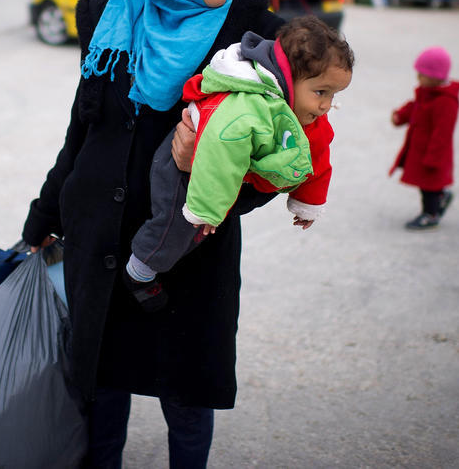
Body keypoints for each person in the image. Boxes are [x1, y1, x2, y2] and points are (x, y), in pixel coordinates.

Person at [21, 0, 295, 467]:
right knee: (102, 384)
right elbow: (82, 130)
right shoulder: (110, 16)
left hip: (187, 249)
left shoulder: (251, 35)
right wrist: (43, 217)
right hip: (100, 239)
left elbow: (277, 154)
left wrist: (217, 182)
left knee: (187, 394)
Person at [122, 18, 353, 312]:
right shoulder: (245, 107)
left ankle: (175, 246)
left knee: (195, 233)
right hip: (184, 162)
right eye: (321, 93)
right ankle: (139, 271)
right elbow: (220, 154)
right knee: (175, 225)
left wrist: (307, 202)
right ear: (288, 77)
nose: (326, 105)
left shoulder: (307, 112)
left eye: (333, 95)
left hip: (219, 167)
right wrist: (208, 211)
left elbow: (317, 156)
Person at [389, 46, 459, 230]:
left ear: (436, 76)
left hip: (432, 154)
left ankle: (430, 214)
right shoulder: (427, 92)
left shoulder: (446, 101)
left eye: (422, 75)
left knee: (429, 187)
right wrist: (401, 115)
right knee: (426, 185)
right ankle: (441, 197)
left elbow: (443, 132)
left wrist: (434, 157)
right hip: (420, 150)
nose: (418, 78)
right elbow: (415, 106)